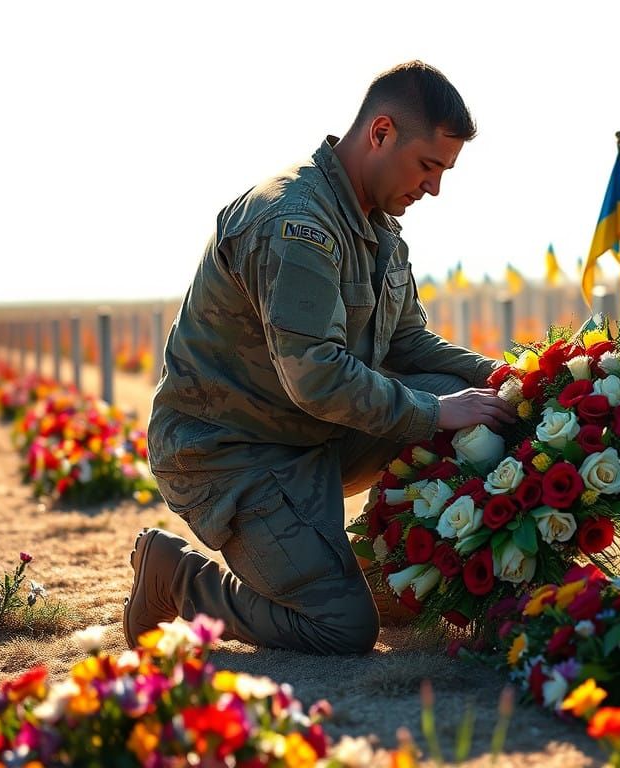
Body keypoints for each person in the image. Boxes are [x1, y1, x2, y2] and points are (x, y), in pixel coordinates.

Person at [124, 60, 516, 655]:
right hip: (235, 454)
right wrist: (437, 413)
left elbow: (410, 344)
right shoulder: (295, 223)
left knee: (458, 398)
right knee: (342, 627)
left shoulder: (378, 227)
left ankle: (381, 571)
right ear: (380, 133)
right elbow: (318, 377)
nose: (434, 188)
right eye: (428, 166)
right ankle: (177, 578)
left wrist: (509, 379)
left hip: (313, 437)